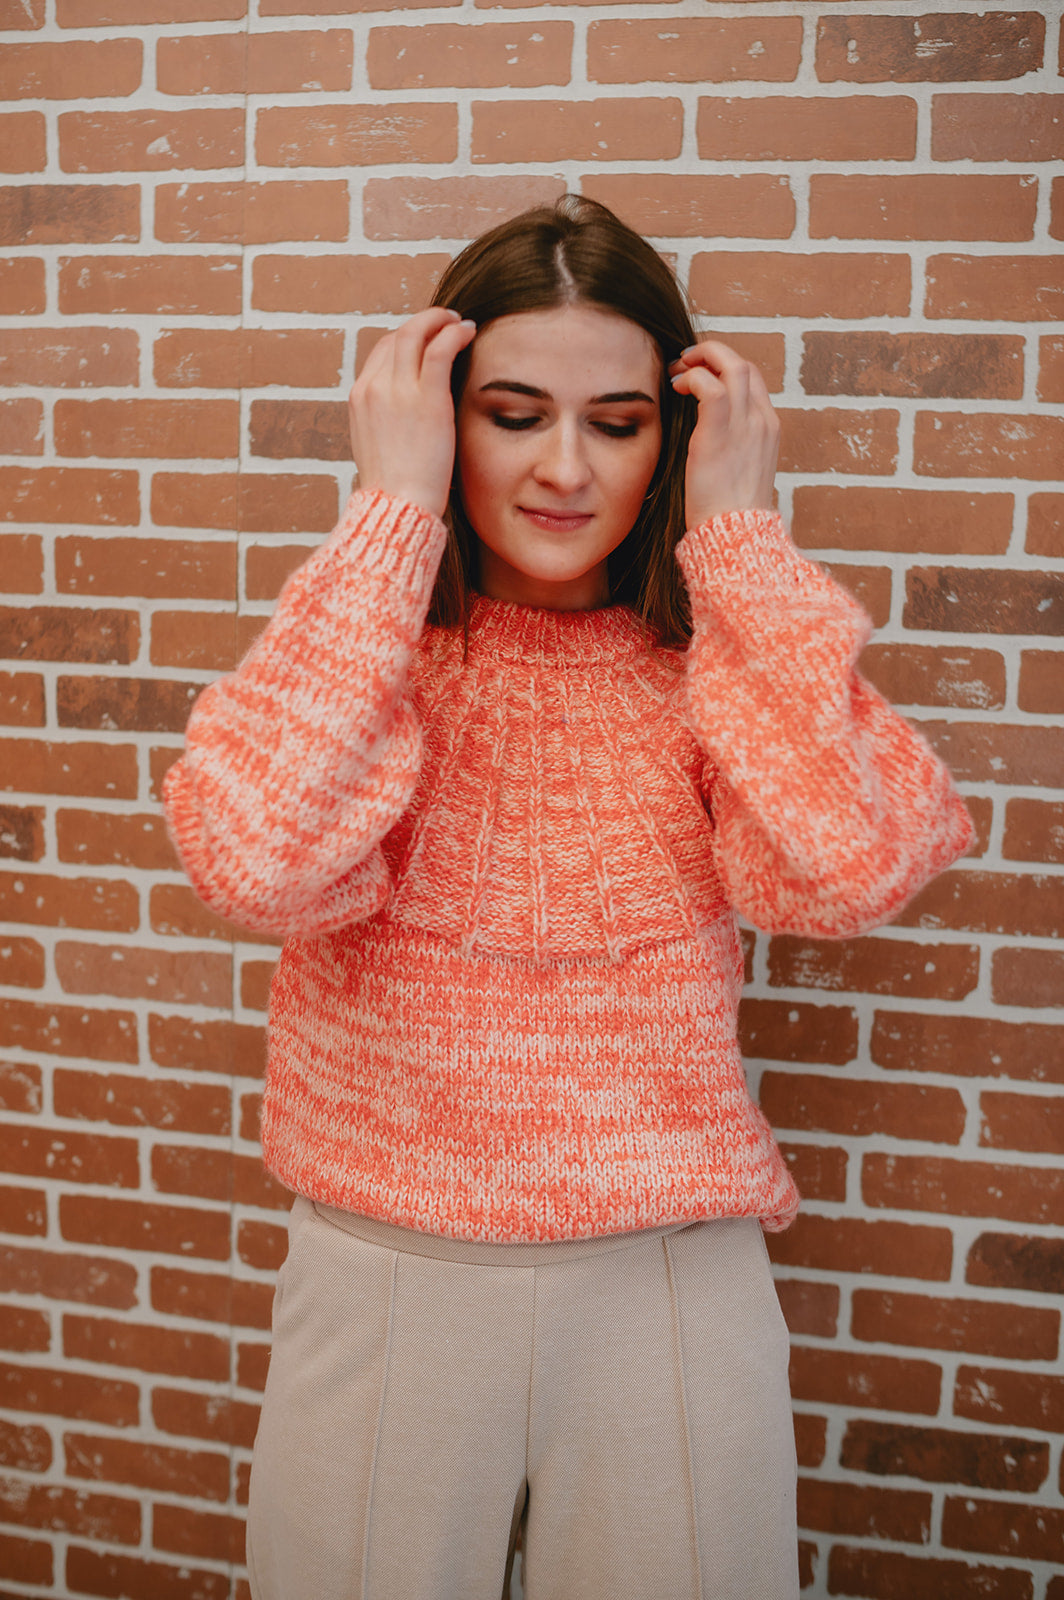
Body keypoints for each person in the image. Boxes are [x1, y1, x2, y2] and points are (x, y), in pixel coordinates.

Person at [163, 195, 973, 1600]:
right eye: (513, 414)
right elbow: (253, 857)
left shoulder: (713, 676)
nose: (563, 467)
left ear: (672, 443)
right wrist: (389, 519)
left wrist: (740, 545)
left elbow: (855, 865)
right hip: (387, 1275)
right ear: (439, 419)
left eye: (617, 422)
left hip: (668, 1287)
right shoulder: (368, 666)